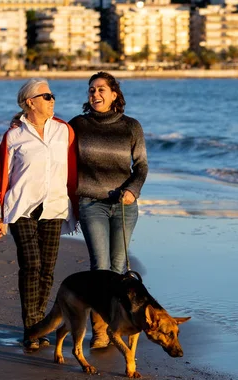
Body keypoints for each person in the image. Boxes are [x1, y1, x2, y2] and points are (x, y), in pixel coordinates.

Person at [0, 78, 77, 352]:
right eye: (47, 95)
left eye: (52, 94)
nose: (52, 100)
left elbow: (76, 169)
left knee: (47, 269)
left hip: (55, 207)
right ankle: (31, 327)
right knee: (31, 264)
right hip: (21, 207)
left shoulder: (65, 131)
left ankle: (40, 326)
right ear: (30, 102)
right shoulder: (14, 136)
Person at [68, 71, 149, 349]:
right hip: (91, 203)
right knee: (100, 268)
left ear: (115, 94)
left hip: (124, 206)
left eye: (101, 89)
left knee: (118, 269)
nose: (95, 94)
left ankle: (118, 325)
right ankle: (100, 333)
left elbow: (141, 166)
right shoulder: (77, 125)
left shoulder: (131, 127)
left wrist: (132, 190)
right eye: (91, 90)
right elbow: (56, 150)